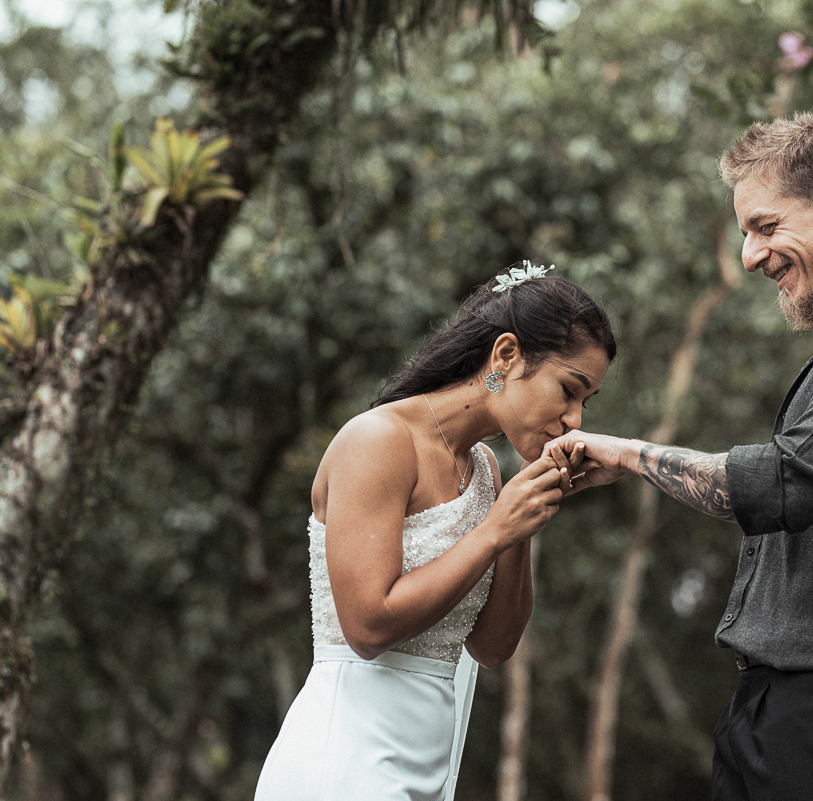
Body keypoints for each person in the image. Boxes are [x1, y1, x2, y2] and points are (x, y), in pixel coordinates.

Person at [546, 111, 813, 800]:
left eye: (765, 226)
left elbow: (783, 484)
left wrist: (628, 454)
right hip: (777, 709)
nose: (749, 256)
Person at [255, 264, 616, 801]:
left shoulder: (489, 472)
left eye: (586, 403)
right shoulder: (377, 440)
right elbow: (368, 627)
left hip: (427, 766)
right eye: (568, 390)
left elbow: (493, 647)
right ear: (506, 356)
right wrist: (495, 530)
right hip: (343, 763)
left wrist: (523, 514)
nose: (574, 420)